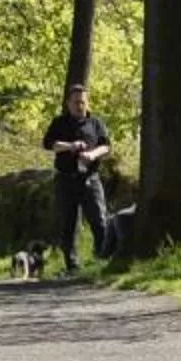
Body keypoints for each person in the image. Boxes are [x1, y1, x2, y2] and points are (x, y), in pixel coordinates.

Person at [43, 83, 114, 273]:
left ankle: (102, 260)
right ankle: (72, 266)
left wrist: (92, 155)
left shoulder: (96, 123)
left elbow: (106, 145)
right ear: (68, 103)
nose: (79, 106)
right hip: (65, 179)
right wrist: (71, 146)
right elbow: (49, 144)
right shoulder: (59, 122)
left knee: (99, 219)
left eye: (82, 102)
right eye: (75, 102)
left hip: (90, 178)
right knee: (68, 223)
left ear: (87, 102)